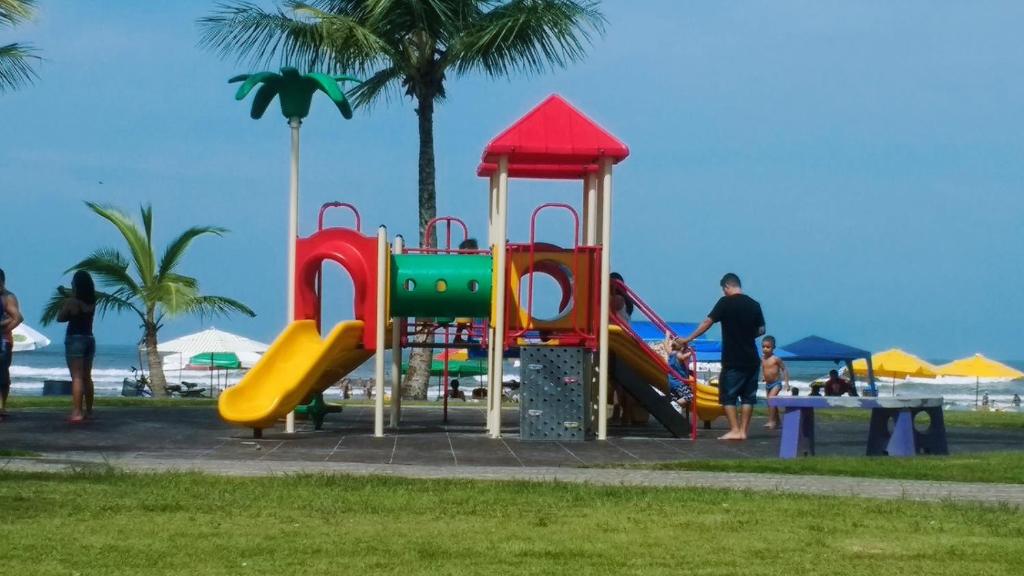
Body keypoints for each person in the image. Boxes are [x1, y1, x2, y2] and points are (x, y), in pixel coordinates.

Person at [676, 273, 764, 441]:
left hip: (733, 358)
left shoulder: (725, 303)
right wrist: (746, 335)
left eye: (723, 289)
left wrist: (688, 339)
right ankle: (743, 432)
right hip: (752, 357)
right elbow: (761, 330)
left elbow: (707, 322)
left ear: (726, 286)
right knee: (748, 397)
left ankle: (734, 429)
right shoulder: (754, 305)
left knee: (728, 395)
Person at [57, 271, 96, 423]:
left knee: (77, 377)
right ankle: (89, 410)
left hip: (75, 339)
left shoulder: (72, 302)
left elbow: (60, 317)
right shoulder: (92, 301)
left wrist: (65, 300)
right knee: (87, 376)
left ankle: (77, 411)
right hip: (89, 338)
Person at [1, 268, 25, 421]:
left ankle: (2, 407)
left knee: (2, 374)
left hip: (3, 340)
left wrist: (4, 328)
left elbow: (17, 317)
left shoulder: (8, 297)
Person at [761, 335, 789, 429]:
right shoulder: (763, 359)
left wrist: (786, 383)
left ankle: (771, 421)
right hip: (768, 384)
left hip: (776, 383)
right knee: (771, 402)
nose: (765, 349)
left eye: (768, 347)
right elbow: (764, 368)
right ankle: (778, 422)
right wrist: (763, 376)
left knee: (771, 400)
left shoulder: (776, 359)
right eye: (763, 347)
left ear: (773, 348)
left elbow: (784, 369)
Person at [666, 338, 694, 414]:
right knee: (690, 396)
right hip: (679, 383)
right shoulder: (678, 354)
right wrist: (691, 352)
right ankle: (674, 405)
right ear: (682, 348)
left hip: (671, 382)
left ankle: (674, 408)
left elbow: (666, 347)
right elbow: (682, 357)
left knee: (676, 398)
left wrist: (667, 337)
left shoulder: (671, 353)